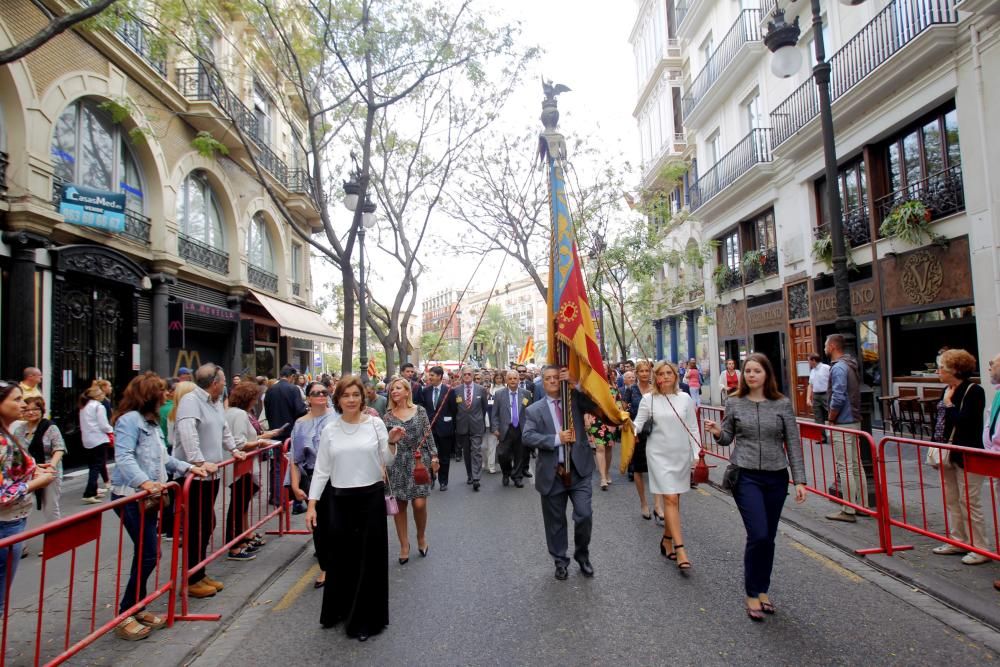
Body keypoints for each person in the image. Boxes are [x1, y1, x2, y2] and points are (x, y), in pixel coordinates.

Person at [705, 353, 807, 621]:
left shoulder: (782, 404)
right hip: (746, 476)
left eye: (756, 371)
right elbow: (727, 439)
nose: (751, 375)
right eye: (747, 371)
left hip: (776, 477)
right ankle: (752, 592)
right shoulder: (735, 402)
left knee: (769, 537)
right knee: (758, 534)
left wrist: (801, 480)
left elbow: (793, 443)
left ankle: (763, 590)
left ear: (766, 375)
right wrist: (717, 431)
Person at [108, 372, 207, 641]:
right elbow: (124, 457)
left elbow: (165, 458)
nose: (166, 395)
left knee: (147, 554)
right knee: (149, 553)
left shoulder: (151, 424)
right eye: (161, 391)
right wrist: (144, 483)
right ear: (148, 395)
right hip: (130, 496)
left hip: (148, 499)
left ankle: (137, 608)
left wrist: (192, 468)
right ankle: (125, 613)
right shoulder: (130, 421)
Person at [305, 376, 404, 641]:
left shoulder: (375, 424)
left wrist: (392, 442)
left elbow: (387, 461)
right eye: (346, 395)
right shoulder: (330, 430)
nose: (351, 400)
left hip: (370, 499)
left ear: (363, 398)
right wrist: (312, 504)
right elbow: (322, 469)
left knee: (368, 559)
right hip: (339, 500)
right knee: (342, 558)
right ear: (337, 400)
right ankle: (339, 610)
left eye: (355, 395)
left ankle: (365, 620)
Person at [174, 363, 247, 599]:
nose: (226, 384)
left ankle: (199, 571)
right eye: (224, 380)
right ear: (214, 383)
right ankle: (192, 578)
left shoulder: (215, 403)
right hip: (195, 477)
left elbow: (223, 428)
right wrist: (198, 462)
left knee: (206, 523)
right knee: (197, 525)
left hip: (210, 474)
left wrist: (233, 449)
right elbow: (188, 433)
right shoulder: (191, 401)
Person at [521, 366, 598, 581]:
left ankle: (582, 555)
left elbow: (596, 404)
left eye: (556, 377)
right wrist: (556, 439)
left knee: (584, 514)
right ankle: (560, 560)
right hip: (552, 473)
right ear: (542, 382)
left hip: (579, 471)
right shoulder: (534, 410)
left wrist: (576, 383)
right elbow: (527, 437)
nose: (553, 381)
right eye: (548, 378)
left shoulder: (575, 400)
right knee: (555, 522)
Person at [633, 361, 700, 569]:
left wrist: (697, 453)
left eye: (669, 373)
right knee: (670, 498)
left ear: (676, 376)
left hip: (680, 454)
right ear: (656, 377)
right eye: (661, 373)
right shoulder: (648, 400)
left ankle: (666, 540)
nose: (665, 376)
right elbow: (637, 426)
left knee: (675, 499)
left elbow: (693, 427)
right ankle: (681, 549)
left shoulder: (685, 398)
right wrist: (625, 423)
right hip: (658, 455)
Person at [931, 349, 989, 565]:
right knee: (951, 499)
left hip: (967, 452)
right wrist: (936, 448)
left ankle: (980, 548)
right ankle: (958, 540)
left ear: (955, 370)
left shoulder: (974, 391)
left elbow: (965, 422)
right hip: (947, 452)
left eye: (942, 368)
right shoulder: (947, 389)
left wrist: (948, 404)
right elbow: (940, 424)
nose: (938, 372)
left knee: (969, 501)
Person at [0, 381, 54, 610]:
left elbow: (12, 471)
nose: (23, 405)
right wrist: (37, 483)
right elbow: (2, 493)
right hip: (5, 524)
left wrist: (34, 470)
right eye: (16, 399)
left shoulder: (8, 433)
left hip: (13, 521)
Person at [383, 378, 439, 565]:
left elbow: (428, 434)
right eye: (392, 389)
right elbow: (385, 444)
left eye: (398, 388)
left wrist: (434, 457)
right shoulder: (388, 416)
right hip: (397, 464)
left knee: (419, 504)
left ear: (407, 392)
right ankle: (404, 545)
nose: (394, 391)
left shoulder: (420, 411)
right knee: (399, 506)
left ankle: (421, 536)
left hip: (418, 462)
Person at [224, 382, 282, 562]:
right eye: (254, 398)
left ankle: (240, 539)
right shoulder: (240, 415)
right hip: (242, 467)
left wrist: (262, 437)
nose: (256, 401)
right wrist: (260, 443)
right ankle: (234, 545)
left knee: (240, 506)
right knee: (238, 507)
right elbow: (240, 442)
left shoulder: (232, 413)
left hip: (240, 467)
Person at [290, 381, 337, 586]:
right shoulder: (300, 424)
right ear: (308, 398)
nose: (320, 395)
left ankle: (343, 563)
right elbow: (295, 458)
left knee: (341, 521)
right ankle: (326, 568)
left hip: (340, 476)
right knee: (320, 525)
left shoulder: (338, 417)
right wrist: (295, 485)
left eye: (323, 392)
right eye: (315, 393)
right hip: (315, 478)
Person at [824, 334, 866, 522]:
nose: (824, 347)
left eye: (826, 344)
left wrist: (831, 418)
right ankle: (862, 505)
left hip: (844, 421)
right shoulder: (850, 364)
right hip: (854, 419)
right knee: (856, 465)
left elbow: (838, 397)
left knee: (846, 466)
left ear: (832, 346)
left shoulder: (839, 368)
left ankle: (848, 509)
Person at [13, 396, 66, 536]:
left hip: (49, 472)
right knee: (20, 506)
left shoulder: (49, 426)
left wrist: (51, 467)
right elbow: (16, 452)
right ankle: (19, 542)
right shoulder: (19, 429)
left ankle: (53, 540)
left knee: (50, 507)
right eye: (27, 409)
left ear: (41, 410)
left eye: (35, 409)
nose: (31, 412)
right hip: (27, 473)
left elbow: (59, 448)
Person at [624, 360, 661, 521]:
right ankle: (644, 503)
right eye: (641, 371)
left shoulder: (657, 390)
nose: (645, 373)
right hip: (636, 434)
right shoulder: (631, 390)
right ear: (636, 374)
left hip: (655, 432)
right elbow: (624, 411)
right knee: (638, 469)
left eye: (647, 371)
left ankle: (658, 505)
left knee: (656, 469)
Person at [416, 366, 458, 491]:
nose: (430, 378)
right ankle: (432, 478)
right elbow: (422, 408)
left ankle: (443, 481)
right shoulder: (425, 391)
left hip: (445, 429)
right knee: (430, 455)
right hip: (429, 429)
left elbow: (454, 410)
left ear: (440, 376)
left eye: (433, 375)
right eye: (429, 375)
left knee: (444, 457)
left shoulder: (449, 391)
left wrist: (449, 421)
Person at [492, 370, 532, 488]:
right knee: (502, 454)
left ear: (518, 380)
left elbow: (530, 412)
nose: (513, 381)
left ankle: (517, 477)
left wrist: (530, 428)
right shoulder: (499, 394)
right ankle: (506, 473)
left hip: (520, 429)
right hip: (505, 429)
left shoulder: (526, 394)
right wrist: (495, 428)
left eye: (515, 378)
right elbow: (494, 414)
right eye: (510, 379)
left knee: (520, 454)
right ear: (506, 380)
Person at [455, 367, 488, 491]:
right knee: (467, 452)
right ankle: (469, 474)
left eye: (469, 374)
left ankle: (476, 478)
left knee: (476, 450)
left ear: (473, 375)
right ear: (462, 376)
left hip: (477, 425)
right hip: (462, 426)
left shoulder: (481, 390)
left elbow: (484, 408)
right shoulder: (456, 390)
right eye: (465, 374)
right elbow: (455, 409)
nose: (467, 376)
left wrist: (479, 419)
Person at [79, 385, 113, 504]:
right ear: (98, 396)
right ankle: (89, 493)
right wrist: (111, 431)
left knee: (92, 466)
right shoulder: (99, 407)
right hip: (98, 439)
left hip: (87, 440)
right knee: (97, 466)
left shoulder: (84, 406)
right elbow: (103, 425)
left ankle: (93, 490)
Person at [806, 353, 831, 445]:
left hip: (826, 394)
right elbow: (810, 385)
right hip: (816, 395)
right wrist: (808, 398)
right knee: (818, 417)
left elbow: (833, 380)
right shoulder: (812, 371)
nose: (808, 362)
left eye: (809, 360)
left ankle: (836, 435)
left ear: (813, 360)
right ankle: (822, 437)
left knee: (831, 414)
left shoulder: (826, 368)